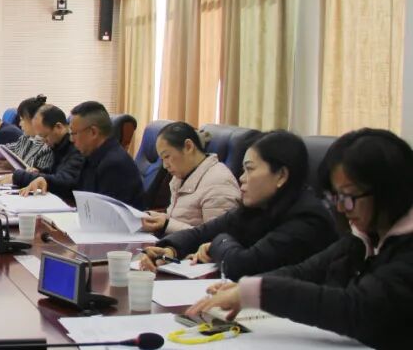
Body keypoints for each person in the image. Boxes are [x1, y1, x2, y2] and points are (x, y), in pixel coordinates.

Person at [187, 129, 413, 349]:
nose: (341, 208)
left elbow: (358, 308)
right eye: (335, 197)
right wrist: (245, 288)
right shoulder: (363, 238)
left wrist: (259, 292)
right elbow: (307, 271)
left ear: (388, 191)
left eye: (348, 196)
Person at [141, 130, 337, 280]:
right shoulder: (260, 206)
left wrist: (218, 243)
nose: (241, 178)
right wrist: (169, 249)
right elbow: (202, 232)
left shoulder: (308, 219)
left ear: (281, 175)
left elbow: (243, 266)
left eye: (249, 170)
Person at [139, 122, 240, 236]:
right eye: (162, 159)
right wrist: (158, 218)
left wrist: (166, 224)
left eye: (167, 156)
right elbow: (181, 218)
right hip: (174, 242)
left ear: (188, 146)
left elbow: (217, 239)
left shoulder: (220, 183)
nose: (165, 166)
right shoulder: (182, 175)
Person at [65, 101, 144, 208]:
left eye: (74, 133)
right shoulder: (92, 154)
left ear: (93, 132)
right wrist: (46, 181)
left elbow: (107, 213)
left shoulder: (114, 165)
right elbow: (76, 189)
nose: (71, 139)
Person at [14, 104, 83, 198]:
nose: (44, 142)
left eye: (45, 136)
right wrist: (39, 172)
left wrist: (19, 176)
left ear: (58, 127)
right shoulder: (59, 145)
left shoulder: (77, 146)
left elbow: (65, 181)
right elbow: (57, 172)